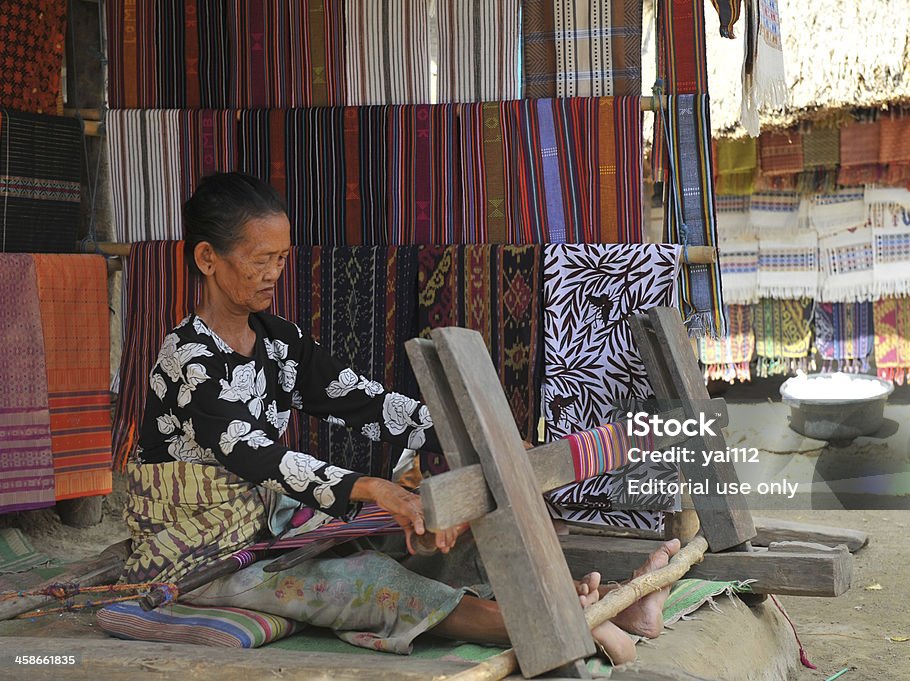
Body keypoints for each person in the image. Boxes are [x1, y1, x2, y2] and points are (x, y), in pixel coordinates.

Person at [121, 171, 679, 663]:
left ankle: (619, 612)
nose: (274, 273)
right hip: (202, 551)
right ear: (207, 259)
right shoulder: (188, 357)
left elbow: (364, 402)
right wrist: (373, 488)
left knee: (430, 538)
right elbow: (251, 453)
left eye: (282, 259)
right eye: (260, 259)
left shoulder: (278, 340)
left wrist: (486, 442)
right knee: (367, 582)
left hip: (274, 527)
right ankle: (569, 621)